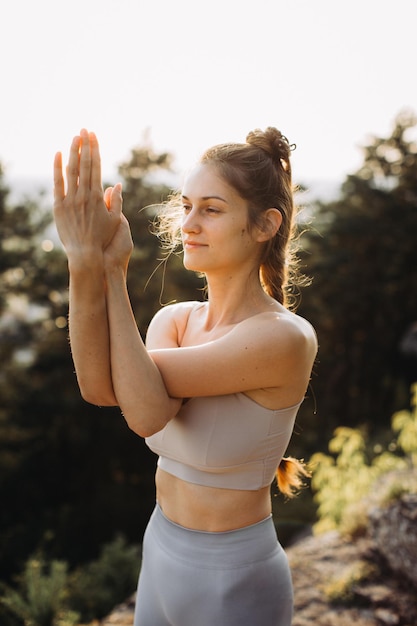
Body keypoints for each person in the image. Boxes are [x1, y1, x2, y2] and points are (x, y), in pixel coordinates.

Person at [53, 126, 318, 626]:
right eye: (186, 205)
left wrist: (111, 273)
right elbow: (100, 386)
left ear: (265, 225)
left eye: (212, 209)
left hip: (234, 580)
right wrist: (84, 260)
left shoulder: (284, 337)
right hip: (160, 552)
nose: (189, 223)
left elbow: (147, 413)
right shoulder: (174, 320)